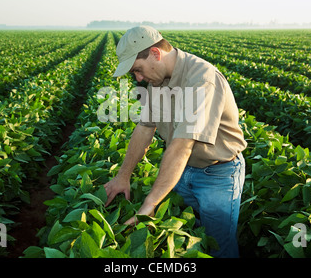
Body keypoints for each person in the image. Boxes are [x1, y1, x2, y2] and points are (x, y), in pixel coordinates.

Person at [103, 25, 247, 258]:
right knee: (191, 236)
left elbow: (181, 146)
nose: (138, 78)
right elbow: (144, 128)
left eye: (138, 70)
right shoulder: (158, 81)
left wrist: (150, 204)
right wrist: (123, 176)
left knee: (219, 246)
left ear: (155, 54)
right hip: (182, 171)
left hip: (218, 175)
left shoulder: (202, 79)